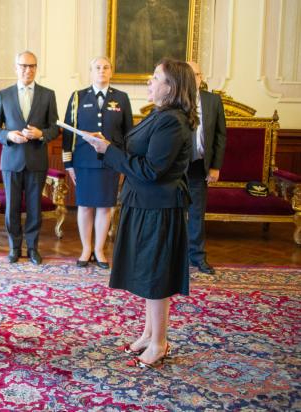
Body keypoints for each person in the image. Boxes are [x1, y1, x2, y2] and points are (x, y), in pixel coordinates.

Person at [82, 58, 196, 368]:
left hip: (158, 207)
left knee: (155, 274)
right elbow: (136, 152)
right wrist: (107, 145)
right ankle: (148, 333)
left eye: (155, 77)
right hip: (143, 203)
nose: (149, 81)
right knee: (146, 271)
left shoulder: (172, 121)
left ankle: (159, 343)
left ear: (170, 87)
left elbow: (150, 171)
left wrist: (109, 151)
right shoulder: (158, 115)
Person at [0, 51, 59, 265]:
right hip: (11, 161)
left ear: (36, 68)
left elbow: (55, 128)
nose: (28, 70)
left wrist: (42, 134)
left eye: (32, 66)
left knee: (34, 207)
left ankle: (33, 248)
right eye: (23, 66)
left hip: (37, 160)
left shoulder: (48, 95)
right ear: (16, 67)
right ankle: (14, 247)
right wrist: (8, 135)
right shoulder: (4, 94)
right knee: (12, 207)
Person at [62, 56, 133, 269]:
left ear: (111, 71)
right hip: (83, 162)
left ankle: (100, 250)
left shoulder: (121, 98)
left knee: (105, 207)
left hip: (111, 161)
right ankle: (86, 249)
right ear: (90, 72)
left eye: (106, 67)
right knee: (84, 206)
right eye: (97, 67)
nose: (102, 70)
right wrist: (68, 164)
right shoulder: (78, 97)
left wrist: (124, 163)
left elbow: (129, 133)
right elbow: (67, 133)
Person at [186, 61, 226, 275]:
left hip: (200, 165)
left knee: (196, 213)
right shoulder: (175, 99)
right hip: (177, 167)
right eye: (189, 74)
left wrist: (215, 167)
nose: (194, 78)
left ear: (201, 78)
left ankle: (197, 257)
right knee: (175, 214)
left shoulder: (213, 101)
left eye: (197, 74)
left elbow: (220, 136)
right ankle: (176, 258)